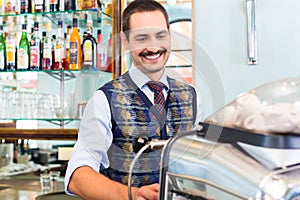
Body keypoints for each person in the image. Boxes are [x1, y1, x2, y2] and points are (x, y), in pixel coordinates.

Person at [65, 0, 203, 199]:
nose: (153, 47)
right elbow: (77, 176)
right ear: (126, 41)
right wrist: (133, 194)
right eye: (142, 38)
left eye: (160, 35)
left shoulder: (192, 96)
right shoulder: (104, 99)